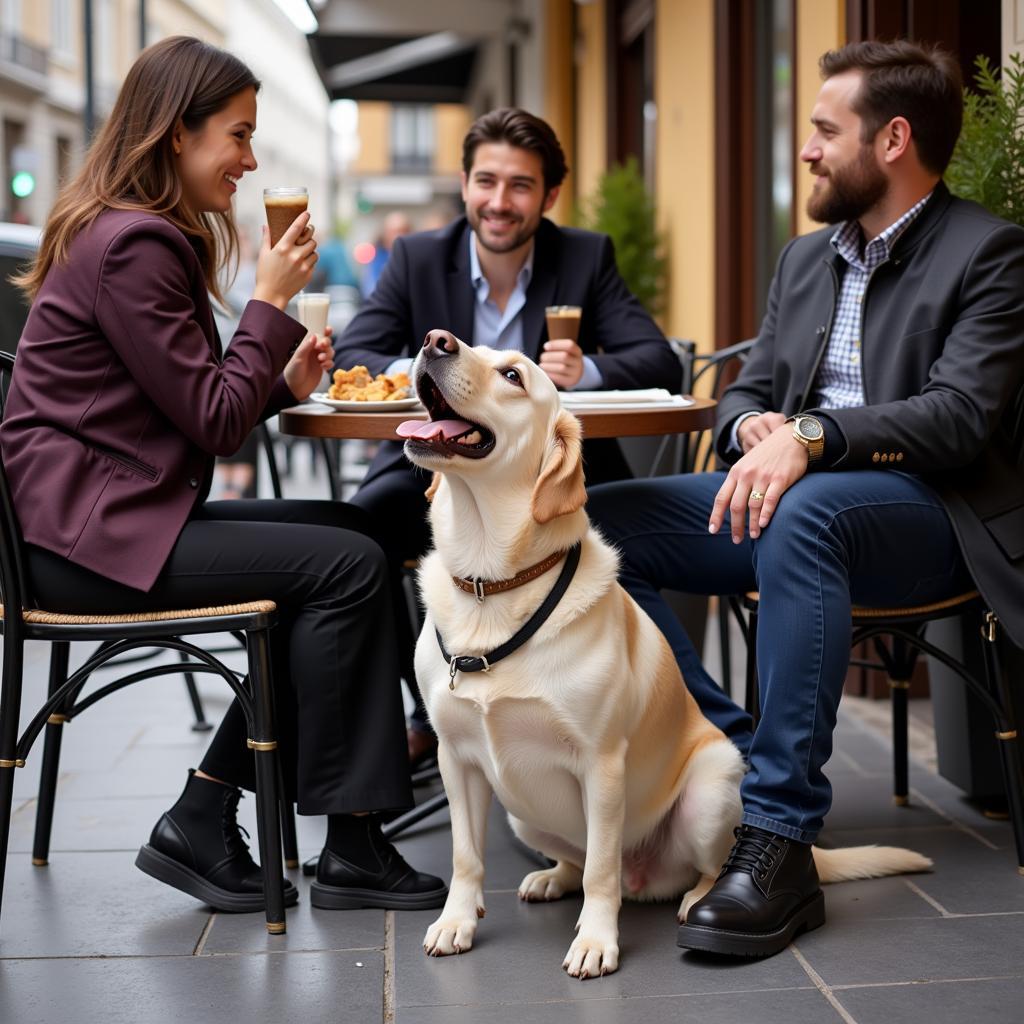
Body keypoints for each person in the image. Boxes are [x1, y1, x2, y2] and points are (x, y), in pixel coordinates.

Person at [586, 39, 1024, 957]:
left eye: (826, 129)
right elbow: (752, 384)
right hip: (792, 505)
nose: (808, 148)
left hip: (930, 516)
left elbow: (958, 417)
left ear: (894, 138)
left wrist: (812, 437)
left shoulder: (991, 252)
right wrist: (752, 425)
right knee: (601, 529)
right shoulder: (807, 256)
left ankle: (778, 836)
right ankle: (734, 748)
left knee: (807, 516)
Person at [0, 36, 446, 915]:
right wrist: (270, 305)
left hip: (112, 520)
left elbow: (199, 404)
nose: (248, 160)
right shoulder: (135, 246)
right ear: (176, 134)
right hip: (88, 546)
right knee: (347, 567)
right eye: (236, 138)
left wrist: (280, 385)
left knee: (357, 530)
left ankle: (209, 813)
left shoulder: (131, 233)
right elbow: (209, 420)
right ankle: (348, 835)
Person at [332, 107, 680, 765]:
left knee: (624, 537)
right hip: (434, 470)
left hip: (548, 480)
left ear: (548, 196)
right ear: (463, 184)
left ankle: (615, 725)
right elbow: (357, 350)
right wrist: (432, 368)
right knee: (361, 535)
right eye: (485, 181)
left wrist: (589, 369)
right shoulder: (416, 256)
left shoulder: (584, 255)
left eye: (520, 185)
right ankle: (429, 710)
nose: (499, 201)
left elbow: (658, 358)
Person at [360, 210, 413, 299]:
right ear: (385, 233)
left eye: (402, 231)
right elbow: (370, 289)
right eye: (393, 232)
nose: (397, 236)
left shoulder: (415, 258)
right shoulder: (376, 257)